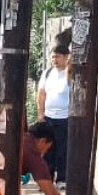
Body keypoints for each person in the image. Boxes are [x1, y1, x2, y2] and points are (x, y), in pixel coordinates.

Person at [34, 31, 74, 187]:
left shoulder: (68, 73)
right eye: (53, 57)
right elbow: (41, 94)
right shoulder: (47, 73)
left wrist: (70, 64)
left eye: (58, 57)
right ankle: (47, 179)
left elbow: (71, 80)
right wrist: (41, 114)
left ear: (65, 58)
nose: (55, 60)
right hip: (49, 117)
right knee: (47, 150)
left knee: (63, 149)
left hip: (64, 117)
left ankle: (62, 179)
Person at [22, 117, 69, 195]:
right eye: (47, 149)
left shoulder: (22, 138)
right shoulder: (33, 153)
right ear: (42, 141)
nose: (45, 153)